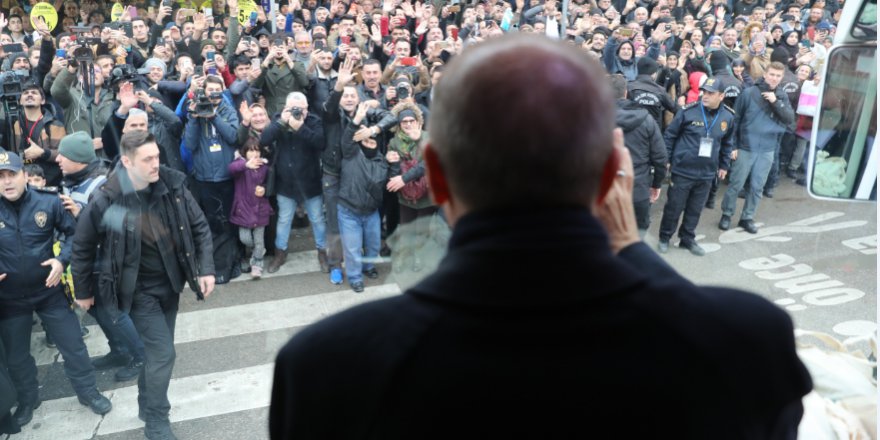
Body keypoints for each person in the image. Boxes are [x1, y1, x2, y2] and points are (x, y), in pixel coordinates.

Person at [269, 35, 811, 439]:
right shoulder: (747, 343)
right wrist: (631, 248)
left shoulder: (328, 368)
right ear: (610, 175)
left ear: (434, 175)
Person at [71, 130, 216, 440]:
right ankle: (156, 420)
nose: (156, 164)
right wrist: (82, 290)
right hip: (135, 291)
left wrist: (206, 269)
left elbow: (199, 226)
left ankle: (144, 399)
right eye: (148, 159)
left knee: (156, 354)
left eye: (157, 157)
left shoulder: (172, 184)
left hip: (170, 285)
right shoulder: (108, 197)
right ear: (126, 161)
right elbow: (82, 245)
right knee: (163, 354)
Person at [0, 151, 113, 429]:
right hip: (10, 299)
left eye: (12, 174)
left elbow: (77, 234)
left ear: (25, 176)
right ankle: (28, 399)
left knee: (73, 345)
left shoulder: (49, 202)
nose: (7, 182)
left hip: (49, 292)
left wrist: (62, 261)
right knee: (16, 357)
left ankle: (88, 392)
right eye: (0, 177)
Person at [55, 131, 148, 383]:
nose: (58, 159)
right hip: (87, 263)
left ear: (79, 158)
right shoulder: (71, 180)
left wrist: (81, 215)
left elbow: (120, 226)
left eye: (64, 155)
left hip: (107, 263)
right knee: (97, 310)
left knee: (113, 312)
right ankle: (119, 351)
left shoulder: (104, 185)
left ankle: (141, 357)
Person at [658, 78, 736, 256]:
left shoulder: (728, 117)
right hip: (683, 170)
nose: (705, 96)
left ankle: (687, 239)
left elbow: (727, 143)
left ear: (721, 96)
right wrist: (667, 159)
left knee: (695, 209)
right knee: (674, 207)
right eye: (704, 92)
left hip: (707, 172)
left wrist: (724, 165)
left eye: (710, 93)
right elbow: (669, 136)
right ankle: (665, 237)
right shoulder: (688, 112)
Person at [719, 62, 794, 234]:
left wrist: (776, 102)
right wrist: (734, 146)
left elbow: (789, 119)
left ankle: (747, 218)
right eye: (772, 74)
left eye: (778, 76)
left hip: (767, 149)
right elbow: (735, 121)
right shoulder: (749, 93)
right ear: (765, 74)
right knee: (736, 184)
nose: (774, 78)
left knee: (757, 186)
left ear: (781, 78)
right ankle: (727, 214)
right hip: (745, 147)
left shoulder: (781, 96)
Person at [259, 92, 326, 275]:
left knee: (318, 219)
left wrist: (301, 126)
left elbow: (321, 143)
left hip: (310, 180)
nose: (297, 111)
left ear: (306, 108)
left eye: (301, 109)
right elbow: (264, 139)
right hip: (286, 181)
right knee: (284, 220)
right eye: (293, 108)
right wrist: (283, 121)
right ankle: (280, 253)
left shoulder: (313, 120)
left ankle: (322, 251)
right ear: (286, 108)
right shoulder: (279, 119)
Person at [337, 102, 389, 293]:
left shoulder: (382, 161)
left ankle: (368, 267)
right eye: (365, 139)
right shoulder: (351, 154)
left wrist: (394, 163)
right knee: (352, 248)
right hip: (349, 210)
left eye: (372, 139)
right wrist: (357, 119)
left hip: (371, 211)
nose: (369, 141)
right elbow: (347, 139)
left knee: (374, 244)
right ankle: (355, 277)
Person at [611, 74, 667, 234]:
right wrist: (656, 184)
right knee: (637, 235)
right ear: (626, 93)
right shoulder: (646, 119)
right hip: (638, 190)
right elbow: (660, 158)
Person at [228, 139, 273, 279]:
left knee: (259, 240)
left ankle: (257, 264)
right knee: (244, 238)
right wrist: (245, 164)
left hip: (261, 209)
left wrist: (264, 189)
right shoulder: (240, 165)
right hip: (243, 209)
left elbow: (268, 183)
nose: (254, 154)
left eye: (257, 150)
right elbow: (231, 169)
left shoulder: (264, 167)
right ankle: (258, 251)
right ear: (245, 152)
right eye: (251, 150)